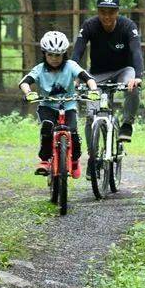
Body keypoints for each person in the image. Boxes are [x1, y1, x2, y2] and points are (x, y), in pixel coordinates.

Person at [19, 31, 99, 178]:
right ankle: (44, 160)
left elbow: (87, 77)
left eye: (58, 55)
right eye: (50, 55)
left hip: (68, 106)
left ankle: (74, 161)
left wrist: (93, 90)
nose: (54, 59)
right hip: (47, 106)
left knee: (73, 132)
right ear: (44, 54)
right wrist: (28, 93)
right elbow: (25, 82)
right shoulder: (40, 69)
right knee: (47, 128)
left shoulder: (71, 66)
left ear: (64, 54)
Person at [71, 0, 144, 142]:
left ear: (117, 12)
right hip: (97, 74)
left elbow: (136, 51)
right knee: (91, 115)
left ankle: (127, 124)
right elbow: (77, 52)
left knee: (133, 87)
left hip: (124, 71)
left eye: (111, 12)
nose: (107, 17)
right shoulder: (89, 25)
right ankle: (92, 156)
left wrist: (137, 77)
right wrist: (74, 76)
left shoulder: (128, 26)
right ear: (98, 12)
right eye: (103, 12)